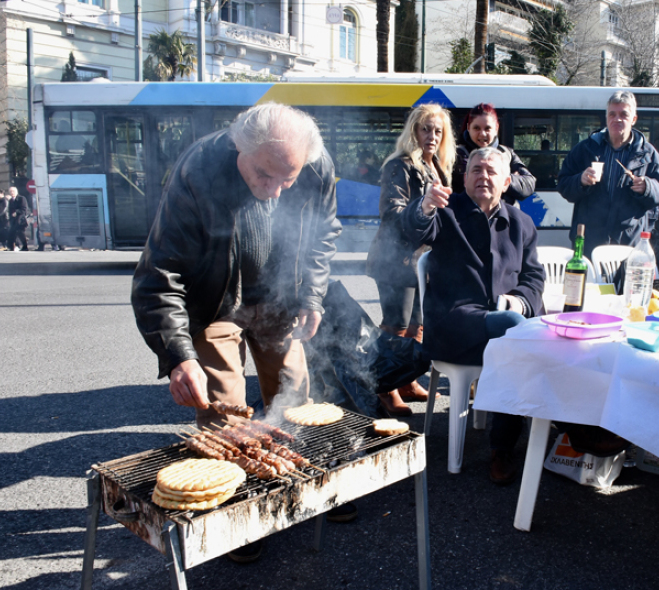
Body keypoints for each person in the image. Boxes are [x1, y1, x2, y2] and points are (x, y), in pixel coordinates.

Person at [131, 104, 345, 557]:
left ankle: (306, 488)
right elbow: (159, 273)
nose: (275, 192)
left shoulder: (314, 163)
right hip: (217, 301)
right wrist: (178, 356)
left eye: (288, 180)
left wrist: (312, 296)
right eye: (265, 176)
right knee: (225, 413)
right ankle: (237, 517)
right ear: (238, 150)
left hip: (279, 298)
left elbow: (324, 232)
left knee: (294, 397)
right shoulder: (200, 170)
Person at [403, 147, 545, 484]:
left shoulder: (521, 222)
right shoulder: (446, 212)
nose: (483, 176)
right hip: (455, 324)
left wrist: (517, 302)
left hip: (503, 325)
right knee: (516, 332)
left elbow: (534, 278)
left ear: (507, 181)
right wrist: (423, 206)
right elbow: (413, 231)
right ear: (464, 178)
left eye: (491, 171)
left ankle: (507, 444)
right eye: (476, 170)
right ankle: (510, 443)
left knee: (519, 331)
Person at [365, 104, 455, 416]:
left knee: (418, 326)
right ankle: (386, 389)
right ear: (414, 131)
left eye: (438, 131)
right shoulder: (399, 165)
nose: (432, 136)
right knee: (395, 328)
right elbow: (391, 212)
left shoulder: (438, 166)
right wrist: (424, 207)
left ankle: (407, 381)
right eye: (426, 129)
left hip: (424, 264)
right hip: (395, 261)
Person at [557, 91, 659, 259]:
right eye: (612, 114)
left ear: (634, 119)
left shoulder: (649, 154)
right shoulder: (585, 149)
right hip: (589, 241)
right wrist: (580, 180)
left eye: (624, 114)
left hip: (629, 243)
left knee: (624, 286)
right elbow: (563, 184)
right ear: (606, 118)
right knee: (589, 285)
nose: (617, 119)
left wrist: (648, 187)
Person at [451, 103, 536, 206]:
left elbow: (529, 184)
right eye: (477, 128)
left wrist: (504, 178)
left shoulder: (506, 153)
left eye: (487, 128)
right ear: (468, 127)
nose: (482, 134)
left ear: (496, 128)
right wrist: (503, 178)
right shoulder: (455, 155)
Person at [7, 187, 29, 251]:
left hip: (20, 220)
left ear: (16, 191)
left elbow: (24, 209)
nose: (12, 192)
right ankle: (12, 247)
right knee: (11, 233)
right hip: (13, 220)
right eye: (10, 191)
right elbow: (9, 210)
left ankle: (25, 246)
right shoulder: (11, 200)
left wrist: (16, 212)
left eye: (13, 191)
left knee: (20, 233)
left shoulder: (21, 198)